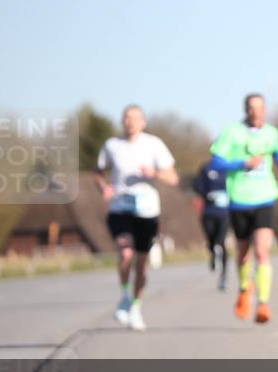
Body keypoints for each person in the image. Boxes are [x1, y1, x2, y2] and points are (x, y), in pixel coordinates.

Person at [95, 105, 179, 331]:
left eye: (135, 118)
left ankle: (136, 308)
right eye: (126, 118)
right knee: (125, 252)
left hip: (147, 212)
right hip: (120, 209)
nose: (130, 122)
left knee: (141, 265)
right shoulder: (112, 146)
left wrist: (155, 173)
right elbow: (99, 172)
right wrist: (103, 188)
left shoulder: (154, 144)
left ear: (143, 122)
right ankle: (124, 295)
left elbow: (173, 178)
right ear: (122, 121)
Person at [211, 94, 278, 323]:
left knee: (262, 251)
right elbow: (216, 162)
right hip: (239, 200)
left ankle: (263, 303)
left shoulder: (271, 132)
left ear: (265, 110)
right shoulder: (231, 132)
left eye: (260, 108)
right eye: (252, 108)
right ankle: (245, 288)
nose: (256, 112)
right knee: (243, 253)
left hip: (265, 198)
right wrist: (242, 163)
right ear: (246, 110)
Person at [192, 160, 230, 290]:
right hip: (208, 212)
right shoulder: (206, 168)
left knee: (221, 241)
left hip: (225, 213)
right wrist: (207, 195)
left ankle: (223, 276)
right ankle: (213, 255)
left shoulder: (229, 167)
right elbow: (197, 184)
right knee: (211, 242)